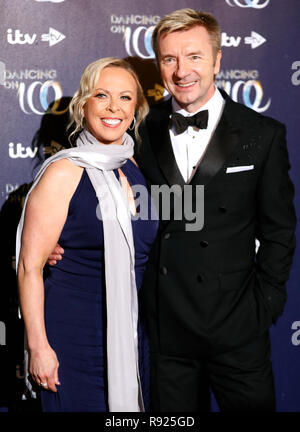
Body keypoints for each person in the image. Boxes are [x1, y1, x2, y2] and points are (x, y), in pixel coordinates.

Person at [49, 9, 296, 412]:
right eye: (169, 59)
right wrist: (61, 245)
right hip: (166, 336)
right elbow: (94, 190)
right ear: (159, 64)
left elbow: (279, 232)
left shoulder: (262, 134)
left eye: (194, 57)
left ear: (217, 60)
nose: (182, 71)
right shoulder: (139, 128)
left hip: (238, 332)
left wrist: (263, 306)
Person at [16, 57, 158, 412]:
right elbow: (29, 268)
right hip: (73, 340)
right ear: (83, 104)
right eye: (102, 95)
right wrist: (38, 347)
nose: (114, 107)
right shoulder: (64, 171)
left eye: (125, 98)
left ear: (136, 108)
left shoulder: (133, 166)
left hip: (129, 334)